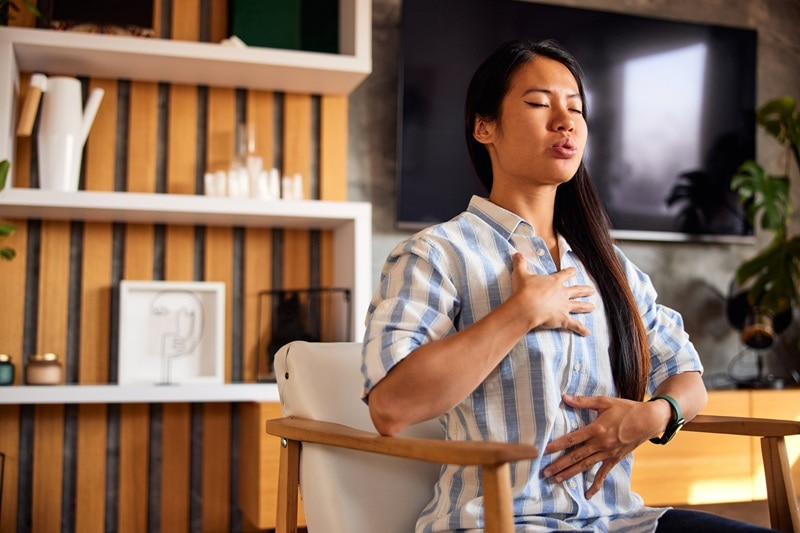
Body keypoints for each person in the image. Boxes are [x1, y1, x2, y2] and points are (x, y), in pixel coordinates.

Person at [361, 38, 776, 533]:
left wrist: (654, 417)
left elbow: (688, 376)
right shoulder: (436, 254)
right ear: (483, 126)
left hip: (622, 521)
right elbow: (391, 407)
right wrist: (520, 313)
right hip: (502, 523)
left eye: (576, 108)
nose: (565, 121)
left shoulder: (608, 265)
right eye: (538, 104)